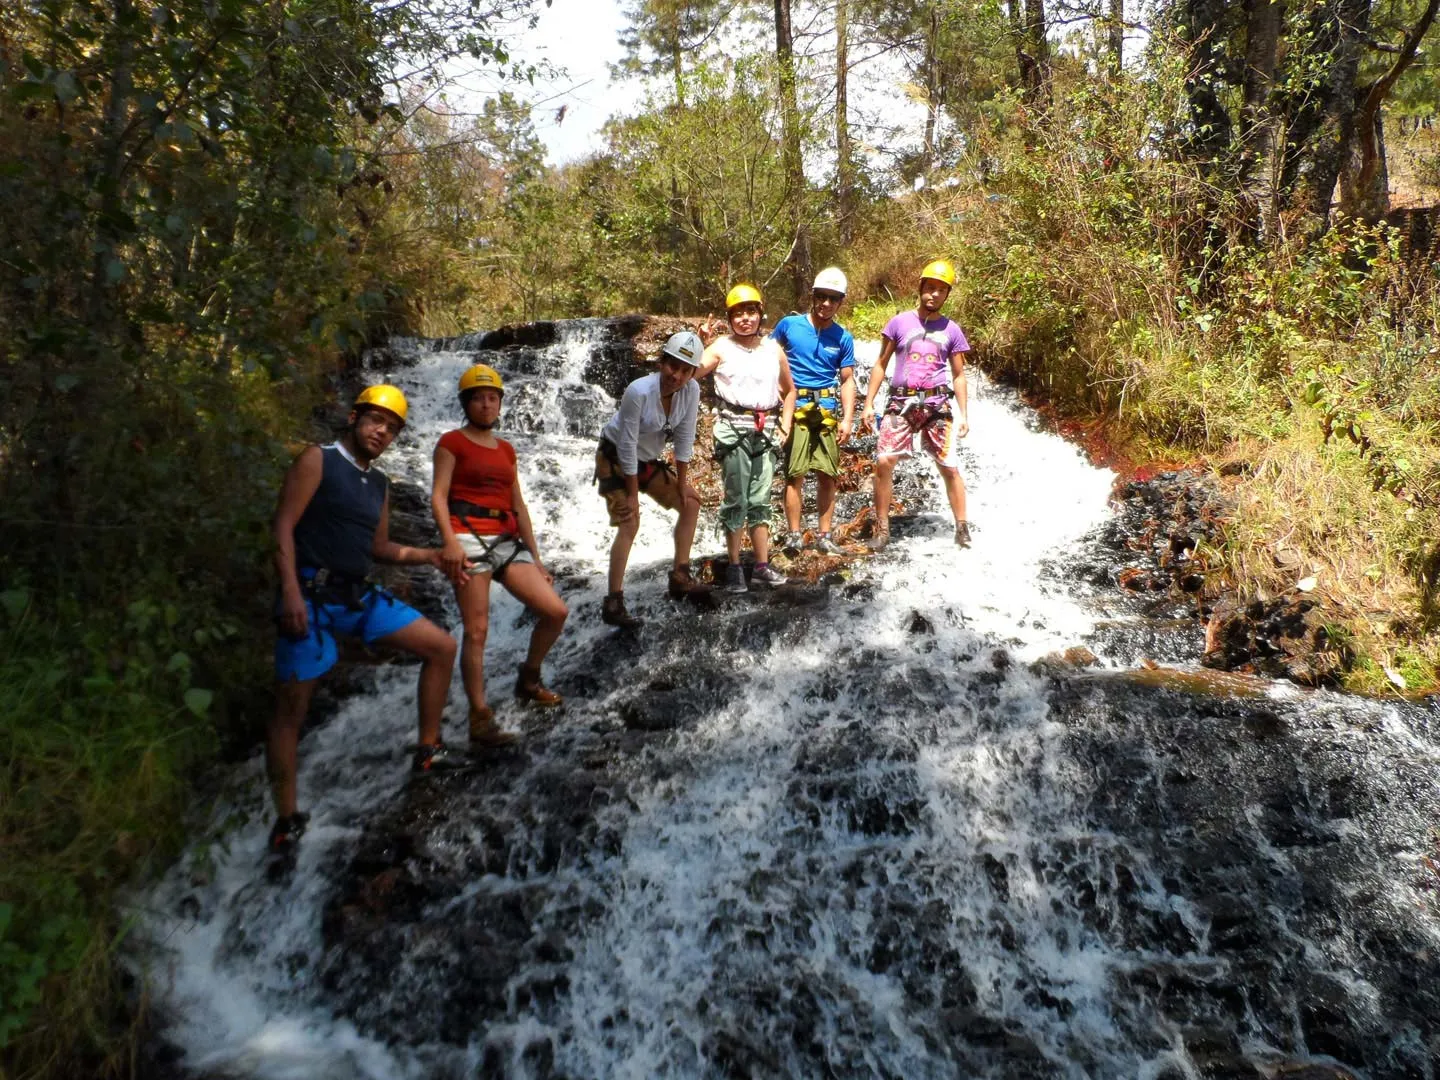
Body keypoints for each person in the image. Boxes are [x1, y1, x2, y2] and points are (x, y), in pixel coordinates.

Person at [269, 385, 460, 861]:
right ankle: (286, 818)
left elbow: (382, 549)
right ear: (354, 417)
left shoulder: (378, 485)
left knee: (441, 647)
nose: (383, 432)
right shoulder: (318, 459)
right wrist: (290, 590)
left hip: (355, 595)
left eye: (392, 428)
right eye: (376, 421)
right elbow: (282, 526)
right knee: (291, 711)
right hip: (310, 595)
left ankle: (428, 748)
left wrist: (430, 555)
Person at [432, 364, 569, 749]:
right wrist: (450, 543)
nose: (486, 404)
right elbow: (438, 496)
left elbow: (519, 506)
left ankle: (528, 678)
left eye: (492, 397)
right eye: (478, 398)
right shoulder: (451, 443)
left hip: (508, 542)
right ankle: (480, 717)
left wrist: (537, 561)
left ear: (500, 403)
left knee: (555, 611)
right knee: (476, 631)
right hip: (468, 539)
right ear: (466, 403)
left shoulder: (507, 450)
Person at [594, 330, 711, 628]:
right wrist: (633, 496)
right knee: (630, 521)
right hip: (615, 458)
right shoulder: (639, 391)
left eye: (686, 370)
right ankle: (614, 601)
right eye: (673, 366)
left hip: (645, 460)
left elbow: (684, 439)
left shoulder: (691, 391)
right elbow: (627, 444)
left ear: (693, 372)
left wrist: (682, 483)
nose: (677, 375)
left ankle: (680, 576)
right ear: (662, 362)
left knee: (692, 503)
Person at [858, 259, 973, 551]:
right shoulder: (899, 322)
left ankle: (962, 528)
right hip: (901, 401)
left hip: (937, 404)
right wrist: (868, 403)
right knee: (884, 461)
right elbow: (881, 363)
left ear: (947, 296)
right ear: (920, 288)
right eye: (930, 288)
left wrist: (964, 415)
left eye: (940, 291)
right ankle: (883, 530)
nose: (933, 295)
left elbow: (958, 374)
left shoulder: (952, 330)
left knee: (949, 467)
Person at [696, 283, 795, 592]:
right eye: (738, 313)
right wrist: (698, 344)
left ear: (760, 314)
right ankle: (736, 566)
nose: (745, 319)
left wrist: (786, 425)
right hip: (733, 429)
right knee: (736, 498)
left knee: (760, 499)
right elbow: (692, 372)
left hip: (765, 431)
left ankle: (761, 566)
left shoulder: (772, 349)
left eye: (750, 312)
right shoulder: (720, 348)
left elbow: (790, 390)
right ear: (730, 318)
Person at [774, 267, 857, 556]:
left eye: (833, 299)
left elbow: (847, 379)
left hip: (826, 410)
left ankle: (824, 535)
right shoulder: (788, 326)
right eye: (821, 297)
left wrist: (847, 418)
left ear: (840, 302)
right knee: (794, 474)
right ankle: (794, 535)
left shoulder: (843, 337)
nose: (826, 303)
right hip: (796, 407)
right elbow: (767, 358)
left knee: (827, 475)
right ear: (812, 296)